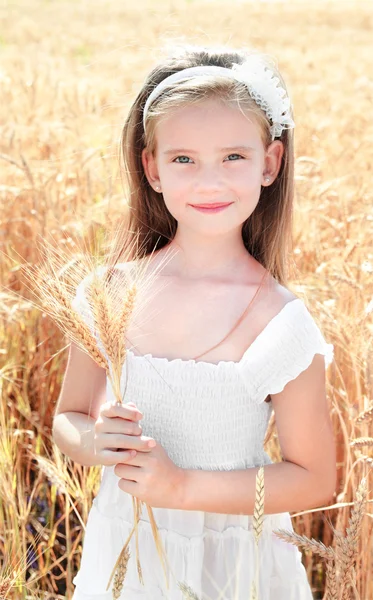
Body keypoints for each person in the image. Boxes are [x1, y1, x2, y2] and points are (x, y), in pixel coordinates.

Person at [52, 43, 336, 600]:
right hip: (128, 549)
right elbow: (68, 419)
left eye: (234, 157)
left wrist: (180, 486)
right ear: (152, 168)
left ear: (270, 164)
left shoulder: (281, 322)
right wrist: (97, 442)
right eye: (184, 159)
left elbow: (314, 478)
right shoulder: (111, 294)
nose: (210, 182)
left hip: (237, 566)